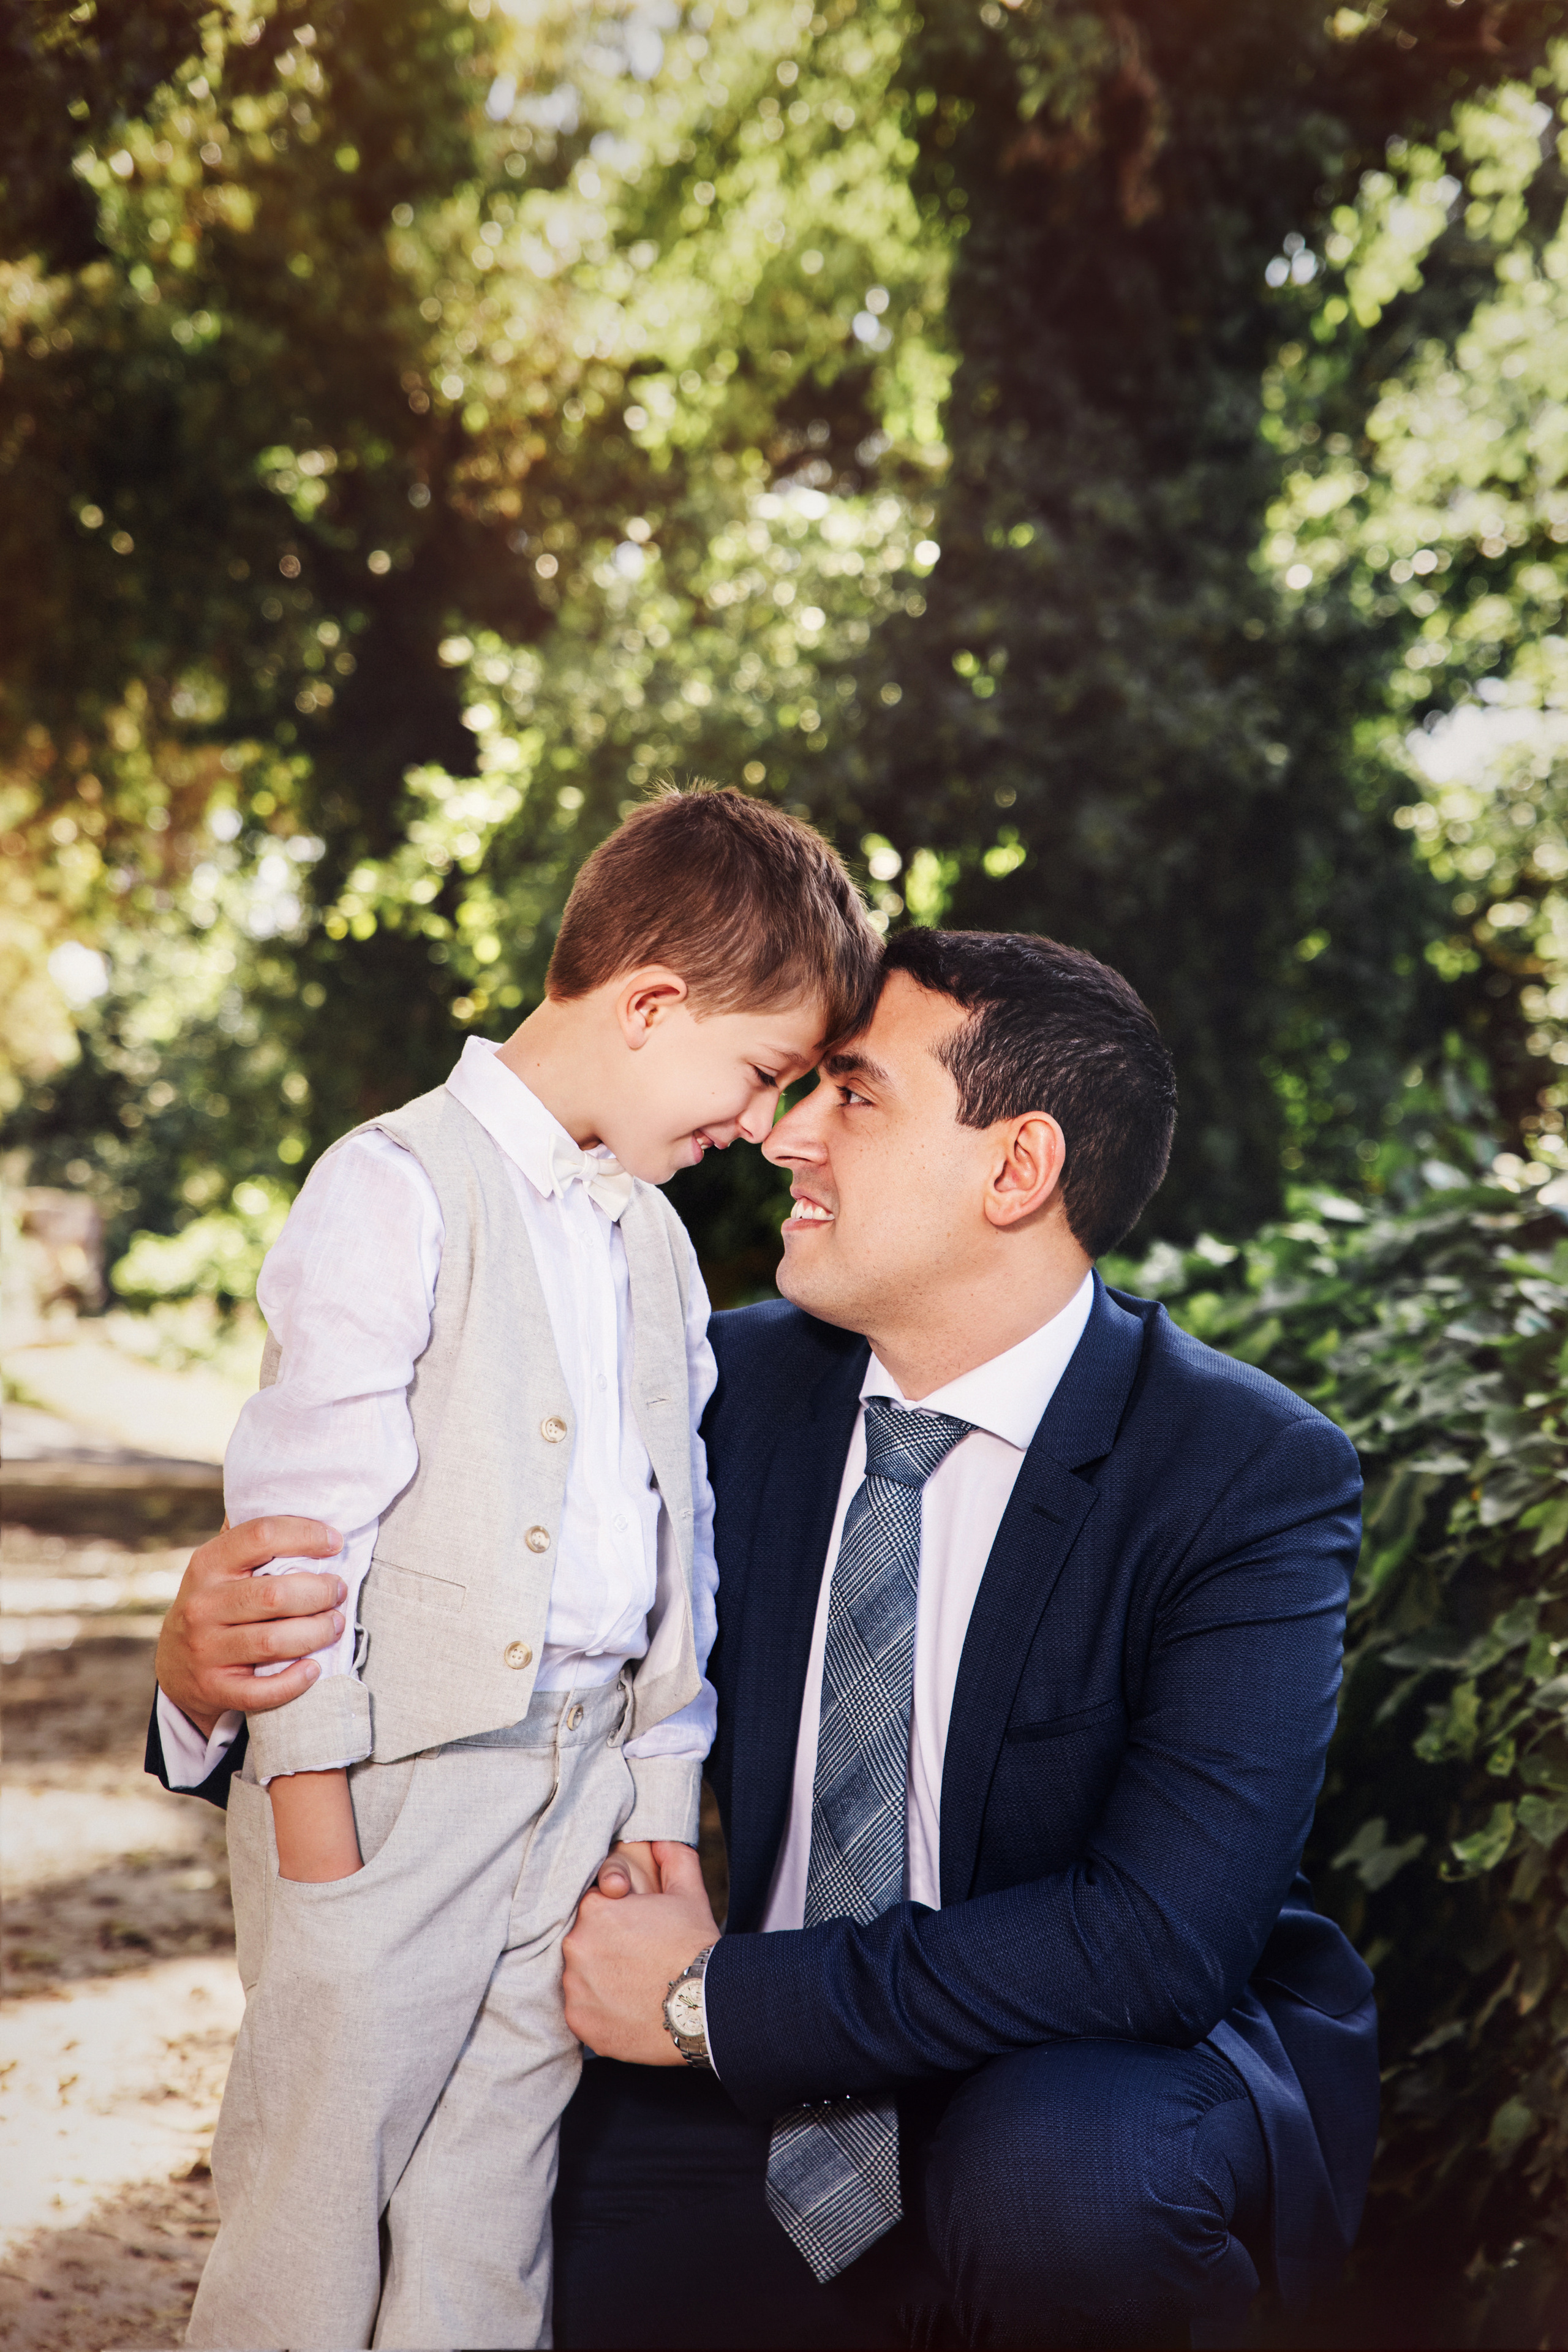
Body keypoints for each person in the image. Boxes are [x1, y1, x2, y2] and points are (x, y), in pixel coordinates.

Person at [151, 928, 1378, 2351]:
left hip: (1082, 2067)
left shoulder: (1241, 1470)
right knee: (502, 2190)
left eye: (852, 1096)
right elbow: (443, 1619)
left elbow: (1157, 1940)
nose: (784, 1136)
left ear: (1015, 1169)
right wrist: (208, 1679)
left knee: (1063, 2183)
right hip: (759, 2077)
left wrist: (709, 2001)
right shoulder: (704, 1388)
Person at [169, 783, 881, 2352]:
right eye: (757, 1071)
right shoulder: (393, 1184)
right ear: (650, 1005)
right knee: (311, 2194)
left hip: (574, 1806)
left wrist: (651, 1813)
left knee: (488, 2203)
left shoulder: (653, 1244)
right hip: (387, 1800)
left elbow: (677, 1552)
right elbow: (301, 1538)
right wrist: (316, 1836)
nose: (756, 1122)